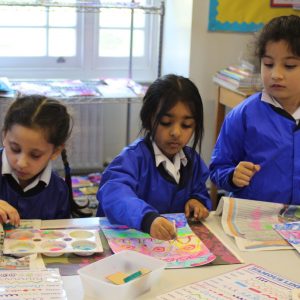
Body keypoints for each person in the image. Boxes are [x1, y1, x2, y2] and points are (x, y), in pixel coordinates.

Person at [96, 74, 212, 240]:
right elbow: (114, 194)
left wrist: (197, 202)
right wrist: (147, 219)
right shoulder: (132, 159)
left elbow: (200, 192)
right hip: (128, 246)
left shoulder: (192, 161)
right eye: (166, 122)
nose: (176, 133)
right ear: (149, 119)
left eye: (186, 125)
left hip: (170, 250)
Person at [209, 15, 300, 205]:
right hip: (254, 220)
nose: (276, 74)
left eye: (289, 66)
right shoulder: (244, 115)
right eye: (268, 64)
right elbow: (217, 168)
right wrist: (233, 176)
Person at [0, 94, 89, 226]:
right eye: (15, 149)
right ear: (4, 136)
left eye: (35, 155)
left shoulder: (58, 191)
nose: (21, 163)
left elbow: (60, 238)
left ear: (55, 151)